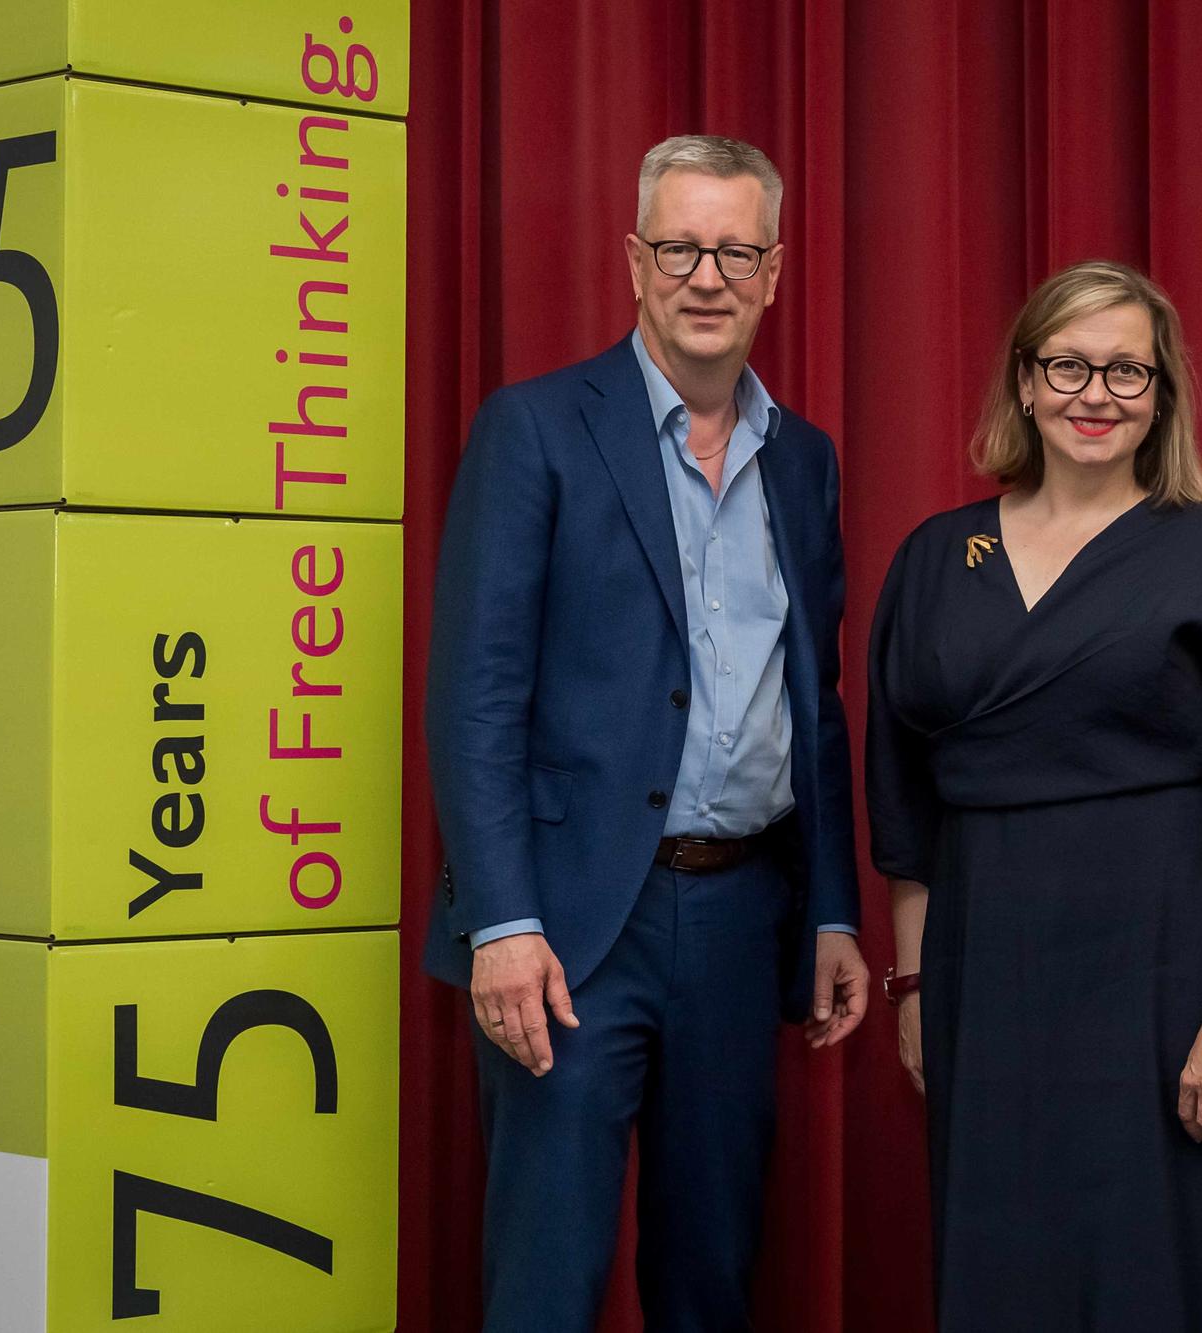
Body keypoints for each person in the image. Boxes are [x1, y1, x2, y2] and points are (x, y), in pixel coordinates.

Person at [424, 134, 869, 1333]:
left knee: (711, 1276)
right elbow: (475, 693)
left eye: (734, 250)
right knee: (546, 1279)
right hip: (566, 932)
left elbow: (810, 698)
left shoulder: (804, 461)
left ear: (774, 271)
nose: (706, 275)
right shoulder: (535, 430)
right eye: (679, 247)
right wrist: (502, 926)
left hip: (739, 917)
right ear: (635, 260)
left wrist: (831, 907)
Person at [866, 259, 1202, 1331]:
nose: (1095, 393)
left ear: (1160, 394)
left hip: (1170, 971)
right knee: (1012, 1271)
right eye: (1069, 365)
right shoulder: (936, 558)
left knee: (1178, 1266)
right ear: (1024, 384)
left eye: (1126, 370)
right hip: (983, 975)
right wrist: (913, 990)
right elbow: (902, 802)